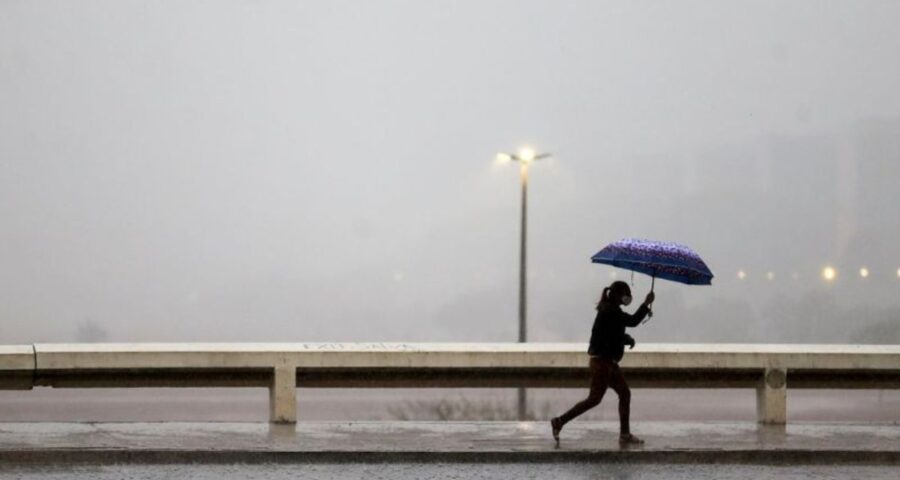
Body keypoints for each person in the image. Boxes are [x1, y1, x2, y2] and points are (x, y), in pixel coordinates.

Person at [550, 280, 655, 447]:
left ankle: (625, 434)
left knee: (624, 393)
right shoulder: (611, 312)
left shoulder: (609, 311)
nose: (628, 298)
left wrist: (626, 339)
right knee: (594, 399)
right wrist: (646, 304)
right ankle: (559, 421)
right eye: (626, 295)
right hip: (602, 364)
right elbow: (633, 321)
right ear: (619, 296)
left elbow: (613, 335)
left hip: (608, 363)